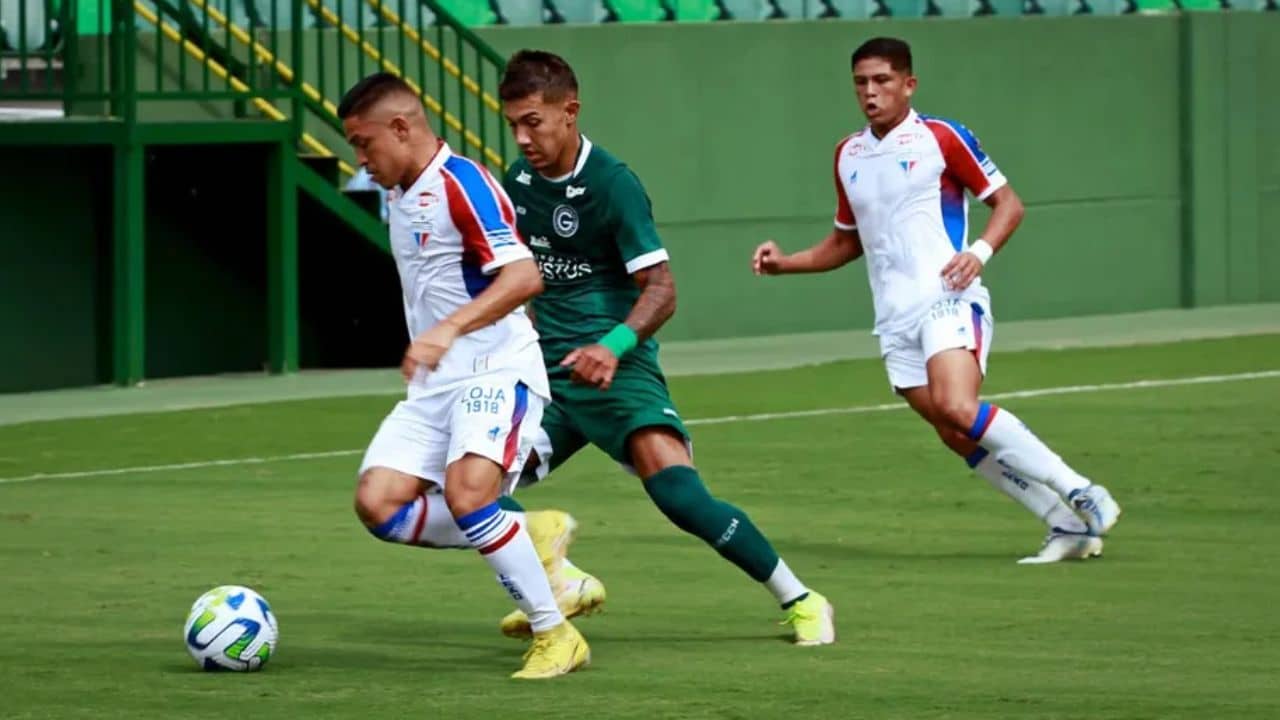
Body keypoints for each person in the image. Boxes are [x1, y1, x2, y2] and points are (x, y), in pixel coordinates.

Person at [495, 49, 835, 645]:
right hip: (545, 373)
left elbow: (663, 289)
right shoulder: (516, 181)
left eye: (534, 122)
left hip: (614, 368)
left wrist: (612, 346)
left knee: (679, 494)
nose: (522, 138)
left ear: (570, 112)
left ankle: (802, 599)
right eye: (514, 124)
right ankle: (557, 584)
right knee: (472, 491)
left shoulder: (612, 184)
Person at [751, 37, 1121, 564]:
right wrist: (785, 263)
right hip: (893, 317)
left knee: (956, 405)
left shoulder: (942, 138)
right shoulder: (848, 154)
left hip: (948, 297)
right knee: (953, 432)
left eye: (882, 81)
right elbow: (846, 241)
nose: (870, 92)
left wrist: (980, 252)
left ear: (909, 84)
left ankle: (1082, 490)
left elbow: (1008, 204)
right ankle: (1063, 525)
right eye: (861, 83)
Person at [338, 72, 589, 679]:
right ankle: (531, 533)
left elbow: (525, 276)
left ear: (402, 128)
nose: (361, 161)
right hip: (435, 386)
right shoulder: (401, 192)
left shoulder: (464, 184)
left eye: (364, 143)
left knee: (469, 495)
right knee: (378, 505)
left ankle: (557, 636)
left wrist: (448, 329)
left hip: (496, 371)